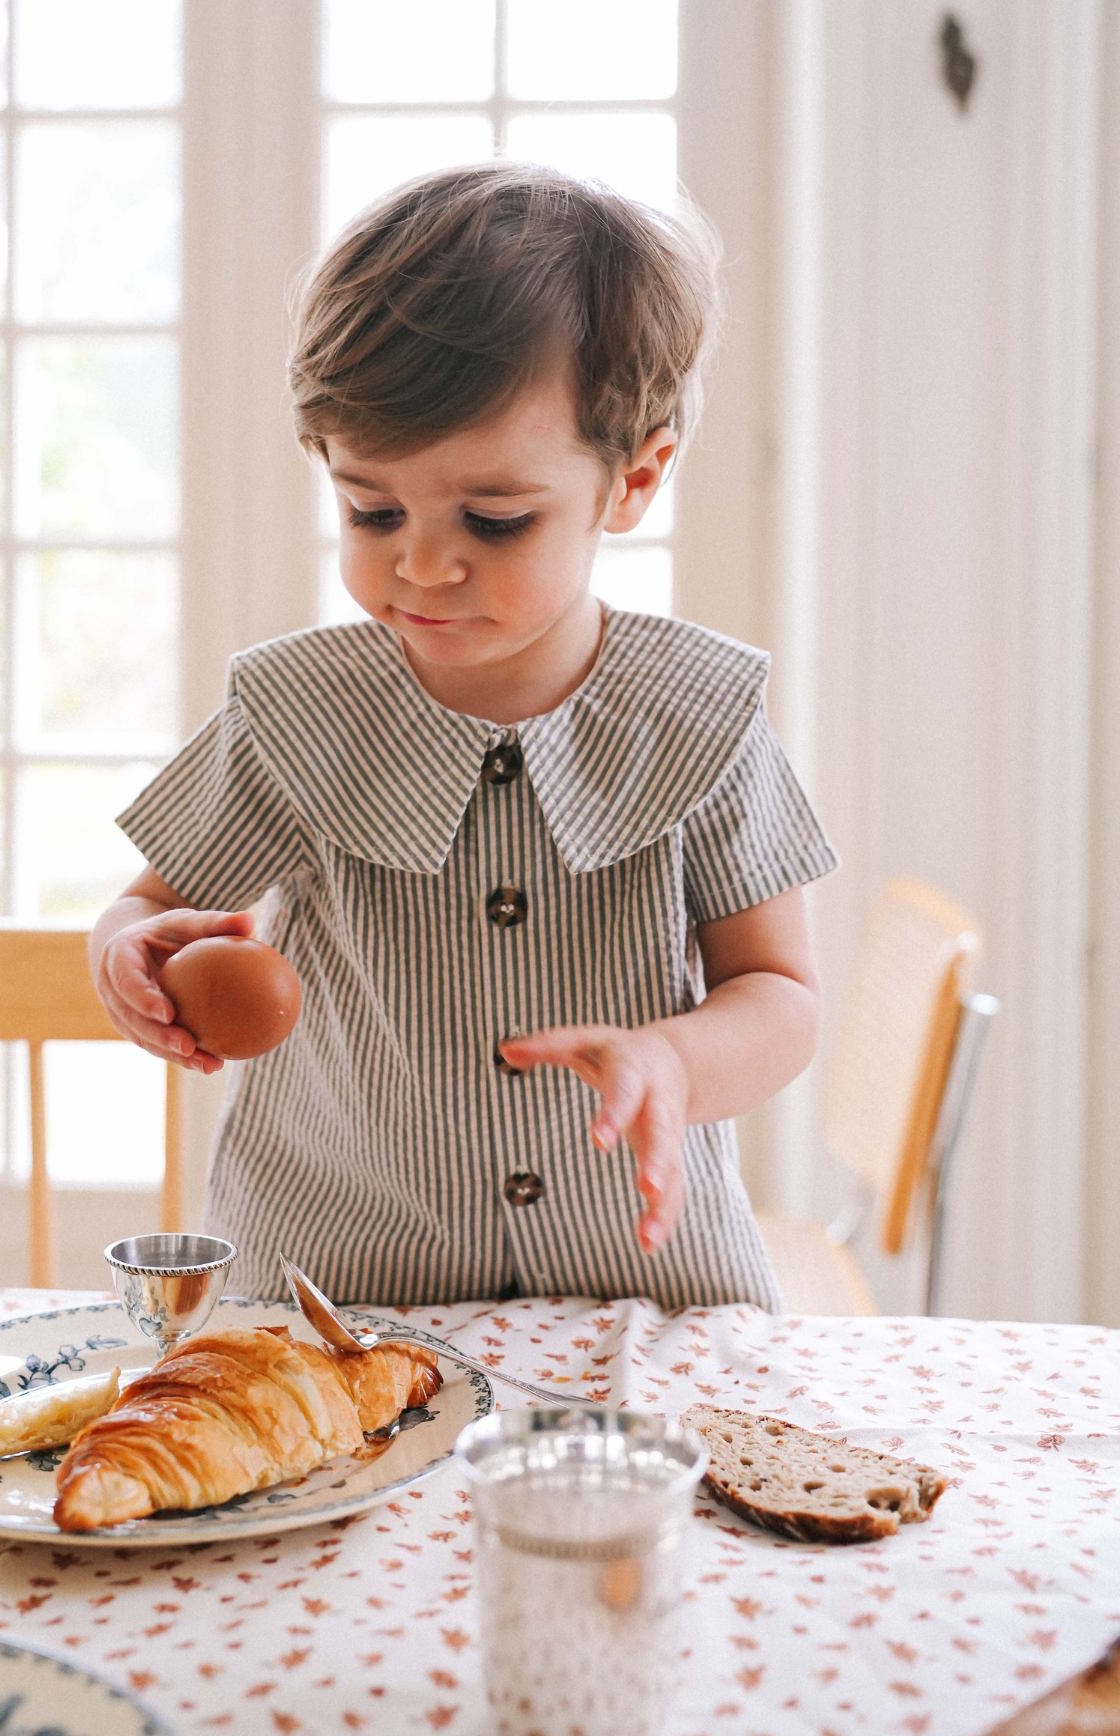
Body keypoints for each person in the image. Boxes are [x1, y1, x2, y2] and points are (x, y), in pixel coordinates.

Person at [90, 162, 837, 1311]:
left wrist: (676, 1059)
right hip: (330, 1300)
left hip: (634, 1298)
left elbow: (778, 994)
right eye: (368, 509)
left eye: (492, 520)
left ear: (630, 478)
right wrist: (126, 956)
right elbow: (146, 908)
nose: (420, 563)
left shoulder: (700, 716)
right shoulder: (296, 711)